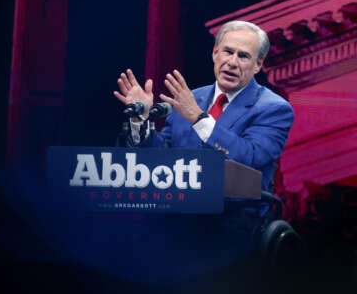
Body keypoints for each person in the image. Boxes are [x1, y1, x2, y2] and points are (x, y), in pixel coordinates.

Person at [114, 20, 294, 192]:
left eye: (243, 56)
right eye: (227, 52)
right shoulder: (191, 98)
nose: (232, 62)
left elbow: (250, 158)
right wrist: (140, 121)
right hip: (177, 211)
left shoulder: (274, 109)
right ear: (215, 53)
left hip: (233, 217)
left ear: (258, 64)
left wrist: (199, 118)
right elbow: (163, 155)